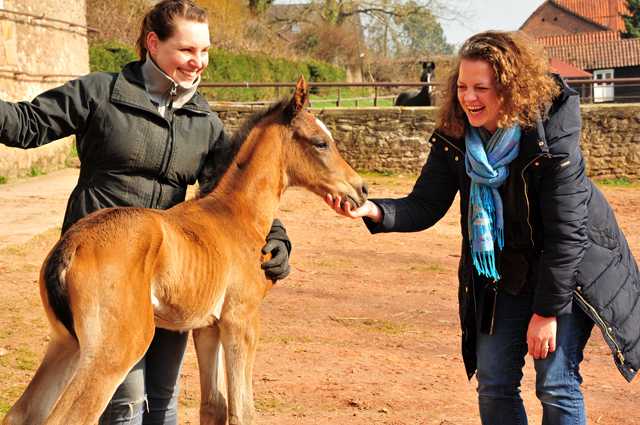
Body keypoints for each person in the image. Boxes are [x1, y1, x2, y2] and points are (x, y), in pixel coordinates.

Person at [325, 30, 639, 424]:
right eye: (461, 86)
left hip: (570, 271)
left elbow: (566, 237)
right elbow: (425, 204)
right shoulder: (457, 137)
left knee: (555, 381)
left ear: (510, 90)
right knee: (494, 381)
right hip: (504, 270)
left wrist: (546, 314)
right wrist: (372, 210)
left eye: (481, 88)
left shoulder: (551, 142)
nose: (468, 98)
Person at [0, 0, 292, 424]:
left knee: (162, 396)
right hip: (107, 265)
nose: (199, 62)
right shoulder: (100, 92)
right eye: (187, 50)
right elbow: (26, 124)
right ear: (153, 43)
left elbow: (233, 196)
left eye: (205, 51)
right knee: (123, 401)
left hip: (173, 267)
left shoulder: (203, 120)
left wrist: (276, 236)